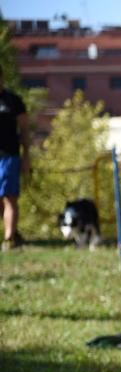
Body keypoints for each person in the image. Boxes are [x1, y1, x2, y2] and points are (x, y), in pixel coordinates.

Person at [0, 66, 30, 252]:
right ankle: (14, 234)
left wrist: (26, 155)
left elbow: (25, 130)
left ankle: (9, 239)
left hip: (9, 156)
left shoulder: (13, 101)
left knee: (9, 198)